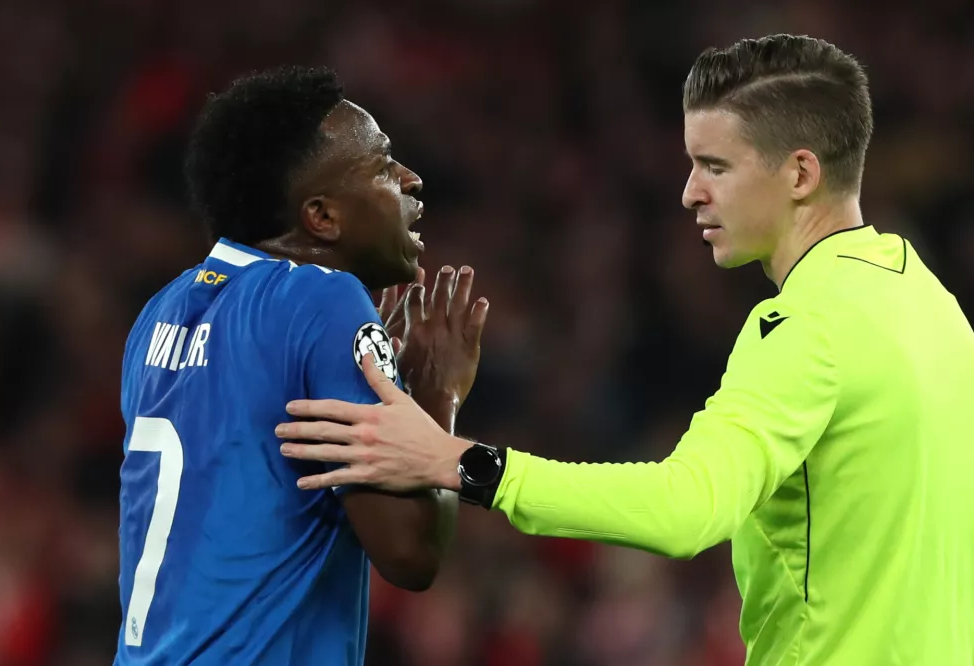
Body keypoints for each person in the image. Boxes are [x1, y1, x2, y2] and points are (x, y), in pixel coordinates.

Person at [275, 35, 974, 665]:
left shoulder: (807, 328)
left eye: (715, 166)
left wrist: (455, 461)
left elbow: (686, 508)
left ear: (799, 174)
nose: (689, 192)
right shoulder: (931, 304)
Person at [115, 66, 488, 665]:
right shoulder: (323, 299)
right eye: (382, 164)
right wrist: (436, 397)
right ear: (321, 217)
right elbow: (411, 554)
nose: (410, 179)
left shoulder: (156, 316)